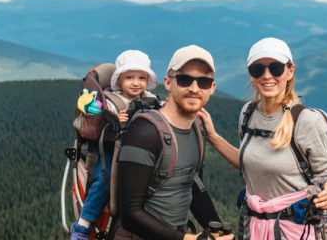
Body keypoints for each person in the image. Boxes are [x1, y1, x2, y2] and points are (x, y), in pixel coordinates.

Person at [198, 37, 327, 239]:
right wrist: (213, 137)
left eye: (275, 68)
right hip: (254, 227)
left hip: (295, 230)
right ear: (251, 74)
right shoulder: (248, 113)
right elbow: (250, 163)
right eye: (258, 69)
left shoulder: (306, 120)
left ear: (290, 71)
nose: (267, 76)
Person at [114, 45, 234, 240]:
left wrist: (217, 230)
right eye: (185, 80)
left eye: (203, 82)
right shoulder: (145, 133)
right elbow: (130, 214)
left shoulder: (197, 128)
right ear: (168, 82)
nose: (194, 89)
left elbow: (192, 184)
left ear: (212, 88)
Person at [70, 50, 158, 240]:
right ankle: (83, 223)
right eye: (130, 77)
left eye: (142, 77)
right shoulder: (109, 100)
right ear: (119, 80)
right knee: (106, 176)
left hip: (141, 152)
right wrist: (115, 120)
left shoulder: (152, 100)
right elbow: (95, 120)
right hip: (112, 151)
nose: (136, 82)